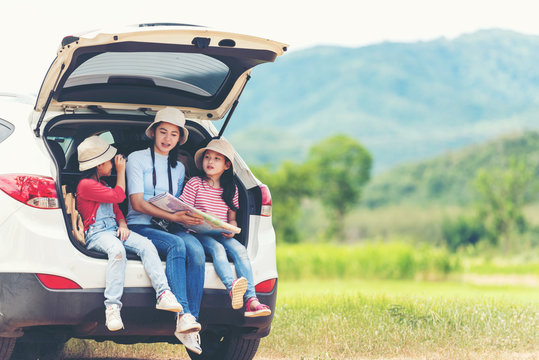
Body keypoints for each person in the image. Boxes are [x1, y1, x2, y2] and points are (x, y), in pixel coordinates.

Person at [76, 136, 182, 332]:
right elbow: (120, 195)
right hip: (97, 233)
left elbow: (116, 210)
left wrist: (123, 224)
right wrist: (122, 171)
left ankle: (163, 293)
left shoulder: (104, 186)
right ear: (99, 165)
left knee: (147, 245)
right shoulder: (85, 186)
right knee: (118, 252)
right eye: (110, 160)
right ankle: (112, 307)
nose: (114, 163)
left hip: (114, 229)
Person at [126, 107, 205, 355]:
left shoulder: (179, 168)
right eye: (163, 132)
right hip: (140, 224)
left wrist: (189, 218)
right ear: (153, 133)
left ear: (179, 138)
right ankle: (182, 313)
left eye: (173, 134)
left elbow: (177, 202)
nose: (167, 138)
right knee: (176, 246)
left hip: (169, 225)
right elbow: (137, 203)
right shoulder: (136, 159)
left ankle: (190, 323)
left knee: (197, 250)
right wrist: (173, 216)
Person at [180, 138, 271, 317]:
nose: (210, 162)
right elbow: (184, 211)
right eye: (207, 157)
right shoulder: (195, 184)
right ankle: (232, 288)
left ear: (226, 166)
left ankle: (252, 300)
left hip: (221, 233)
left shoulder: (232, 189)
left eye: (216, 159)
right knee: (217, 250)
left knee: (240, 251)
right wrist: (196, 220)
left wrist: (232, 228)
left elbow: (232, 219)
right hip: (199, 233)